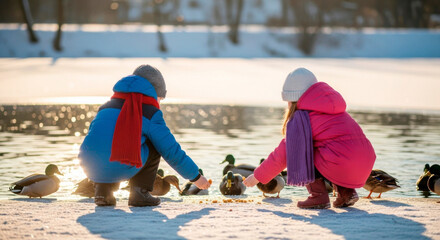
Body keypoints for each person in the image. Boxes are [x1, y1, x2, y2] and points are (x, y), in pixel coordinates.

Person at [78, 65, 211, 207]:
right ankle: (139, 193)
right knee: (155, 142)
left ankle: (102, 192)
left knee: (106, 144)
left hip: (89, 165)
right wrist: (195, 177)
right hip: (118, 165)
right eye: (159, 98)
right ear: (153, 93)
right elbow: (171, 150)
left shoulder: (106, 106)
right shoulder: (149, 112)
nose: (158, 104)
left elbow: (95, 138)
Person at [243, 67, 376, 209]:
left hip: (341, 162)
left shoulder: (303, 119)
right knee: (333, 150)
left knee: (301, 150)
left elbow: (284, 154)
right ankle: (347, 193)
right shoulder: (335, 110)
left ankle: (318, 196)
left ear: (292, 100)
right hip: (365, 163)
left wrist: (257, 177)